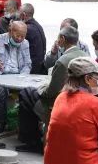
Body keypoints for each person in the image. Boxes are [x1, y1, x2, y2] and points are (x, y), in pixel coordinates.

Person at [17, 25, 87, 153]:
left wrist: (41, 88)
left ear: (62, 39)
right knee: (30, 93)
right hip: (79, 100)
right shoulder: (85, 56)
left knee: (26, 93)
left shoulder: (63, 61)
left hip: (58, 102)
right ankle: (33, 136)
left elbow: (51, 92)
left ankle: (30, 140)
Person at [20, 3, 47, 75]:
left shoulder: (26, 29)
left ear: (23, 15)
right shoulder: (38, 25)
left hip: (32, 69)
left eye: (20, 14)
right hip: (40, 66)